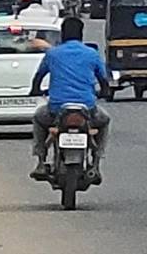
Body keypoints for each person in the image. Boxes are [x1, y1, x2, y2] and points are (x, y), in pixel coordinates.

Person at [29, 16, 111, 182]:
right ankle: (96, 162)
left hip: (57, 109)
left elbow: (39, 76)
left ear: (62, 34)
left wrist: (35, 90)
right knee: (105, 121)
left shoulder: (53, 54)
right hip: (87, 108)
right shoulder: (91, 53)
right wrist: (105, 92)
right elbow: (103, 79)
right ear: (81, 34)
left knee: (38, 118)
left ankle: (40, 161)